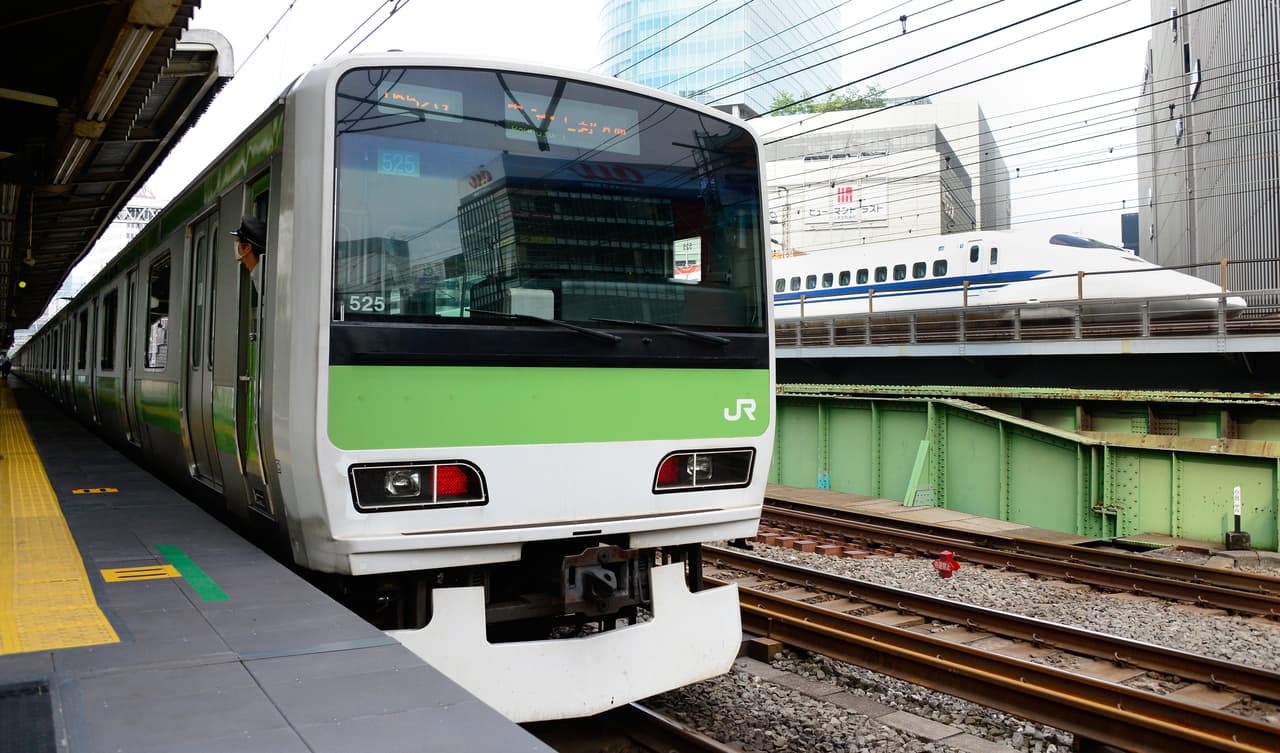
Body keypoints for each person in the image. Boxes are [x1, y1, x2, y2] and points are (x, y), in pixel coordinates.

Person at [230, 215, 267, 291]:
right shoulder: (258, 273)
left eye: (238, 241)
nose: (236, 244)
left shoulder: (263, 278)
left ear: (247, 248)